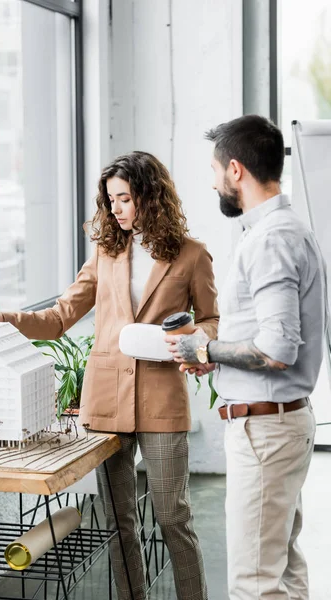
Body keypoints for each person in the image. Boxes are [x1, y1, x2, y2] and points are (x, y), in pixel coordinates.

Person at [0, 151, 219, 600]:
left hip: (162, 399)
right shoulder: (106, 252)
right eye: (111, 200)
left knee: (173, 518)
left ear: (149, 195)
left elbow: (213, 320)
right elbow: (61, 316)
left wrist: (191, 339)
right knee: (118, 519)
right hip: (106, 401)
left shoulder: (192, 255)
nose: (116, 208)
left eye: (124, 198)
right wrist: (2, 317)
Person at [166, 115, 327, 600]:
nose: (213, 180)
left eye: (216, 169)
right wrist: (218, 358)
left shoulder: (273, 239)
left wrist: (205, 348)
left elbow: (278, 349)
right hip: (278, 426)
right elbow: (267, 336)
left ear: (236, 170)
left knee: (254, 584)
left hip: (266, 433)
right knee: (283, 570)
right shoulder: (281, 230)